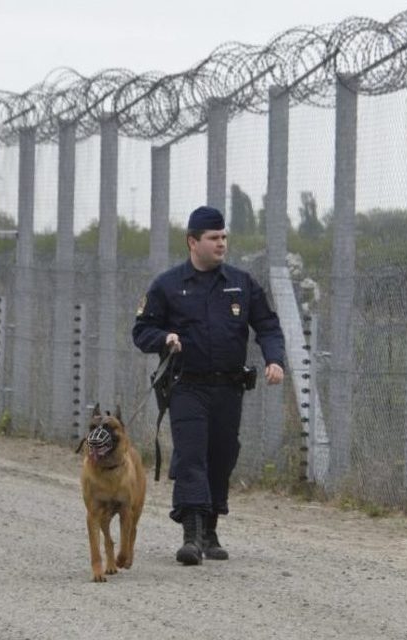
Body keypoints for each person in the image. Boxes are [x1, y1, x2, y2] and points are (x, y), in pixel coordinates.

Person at [132, 205, 285, 565]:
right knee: (191, 456)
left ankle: (211, 528)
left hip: (228, 388)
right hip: (187, 386)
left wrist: (275, 360)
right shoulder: (168, 285)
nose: (222, 244)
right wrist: (165, 337)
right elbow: (141, 331)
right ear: (192, 242)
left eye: (224, 237)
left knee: (221, 456)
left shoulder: (241, 283)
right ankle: (191, 535)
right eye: (214, 238)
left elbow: (267, 325)